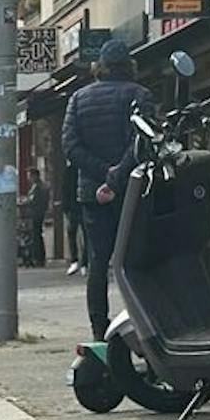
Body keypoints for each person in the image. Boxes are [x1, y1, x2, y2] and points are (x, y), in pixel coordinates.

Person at [62, 38, 152, 339]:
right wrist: (118, 174)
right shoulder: (140, 94)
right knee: (137, 257)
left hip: (92, 192)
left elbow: (70, 146)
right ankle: (144, 322)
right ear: (129, 65)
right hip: (132, 189)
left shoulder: (78, 98)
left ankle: (99, 328)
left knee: (98, 260)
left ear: (98, 66)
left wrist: (103, 173)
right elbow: (144, 141)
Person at [20, 168, 50, 268]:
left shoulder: (38, 187)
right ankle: (38, 257)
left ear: (35, 176)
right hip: (38, 213)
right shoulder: (38, 186)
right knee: (37, 236)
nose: (29, 178)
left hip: (36, 214)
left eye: (30, 176)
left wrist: (22, 202)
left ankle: (38, 258)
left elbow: (32, 200)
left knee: (36, 236)